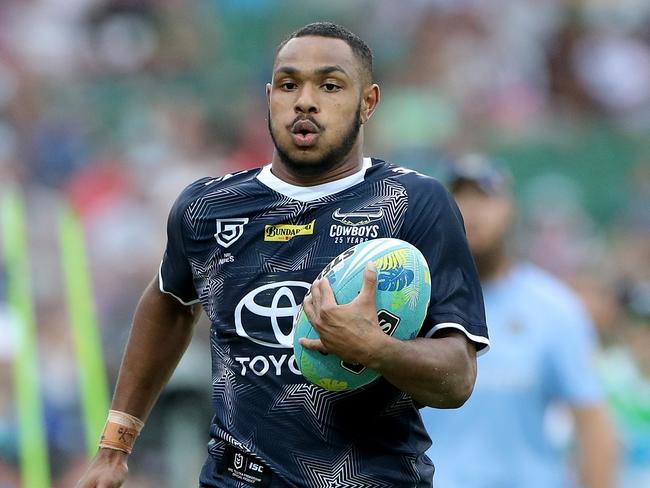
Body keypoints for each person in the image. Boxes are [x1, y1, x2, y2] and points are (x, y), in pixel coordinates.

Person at [77, 22, 489, 488]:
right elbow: (168, 302)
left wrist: (376, 349)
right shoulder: (207, 208)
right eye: (290, 85)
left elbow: (457, 379)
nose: (305, 100)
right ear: (270, 96)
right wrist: (115, 446)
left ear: (368, 102)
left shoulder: (414, 203)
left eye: (330, 86)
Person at [420, 155, 618, 488]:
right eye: (458, 197)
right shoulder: (414, 302)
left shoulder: (554, 308)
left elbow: (593, 423)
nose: (471, 210)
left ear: (511, 210)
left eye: (484, 197)